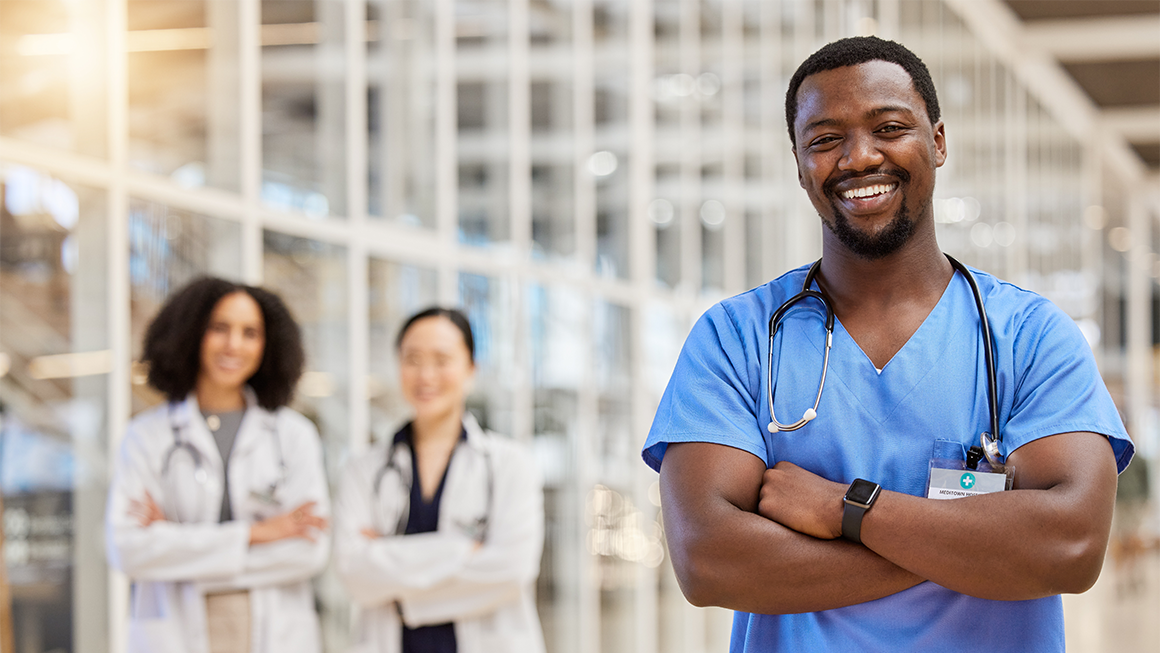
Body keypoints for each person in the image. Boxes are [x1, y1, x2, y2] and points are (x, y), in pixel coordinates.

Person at [642, 36, 1134, 652]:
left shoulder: (1028, 337)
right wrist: (971, 545)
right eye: (824, 139)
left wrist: (846, 510)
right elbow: (709, 560)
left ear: (938, 140)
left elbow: (1069, 547)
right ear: (800, 166)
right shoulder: (736, 338)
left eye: (889, 126)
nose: (858, 156)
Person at [106, 277, 330, 653]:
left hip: (273, 630)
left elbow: (309, 552)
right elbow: (128, 549)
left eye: (250, 333)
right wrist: (256, 534)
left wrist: (175, 541)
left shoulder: (293, 435)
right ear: (192, 333)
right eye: (219, 328)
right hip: (176, 630)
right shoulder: (147, 435)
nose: (234, 345)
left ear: (268, 344)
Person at [335, 307, 545, 653]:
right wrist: (460, 551)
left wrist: (390, 568)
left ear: (471, 369)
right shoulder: (363, 469)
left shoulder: (510, 464)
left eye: (442, 359)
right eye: (412, 359)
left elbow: (512, 569)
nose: (426, 374)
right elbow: (353, 574)